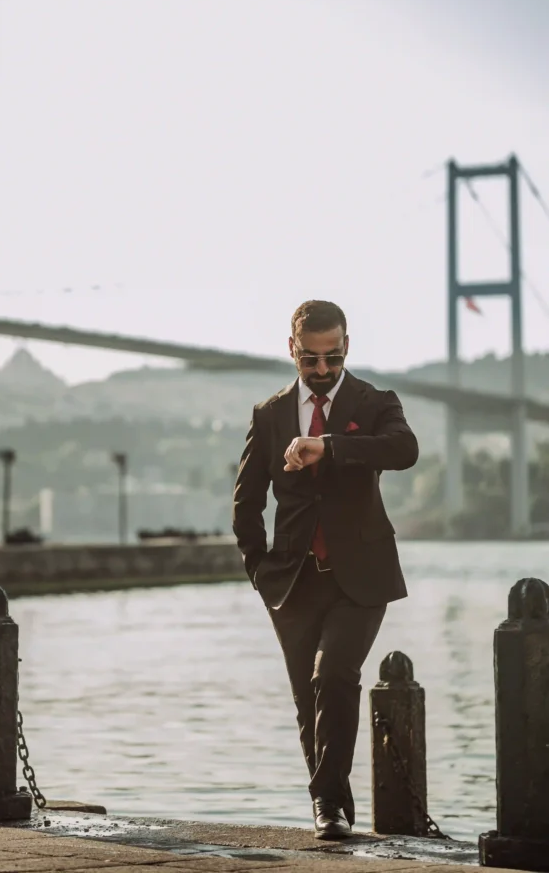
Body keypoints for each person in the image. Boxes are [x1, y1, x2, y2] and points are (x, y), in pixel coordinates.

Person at [232, 299, 418, 839]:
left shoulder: (375, 401)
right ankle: (331, 803)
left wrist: (328, 446)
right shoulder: (268, 415)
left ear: (346, 347)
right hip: (290, 581)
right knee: (306, 699)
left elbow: (403, 449)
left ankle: (329, 807)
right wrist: (259, 573)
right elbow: (246, 504)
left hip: (361, 575)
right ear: (292, 349)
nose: (321, 370)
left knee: (333, 675)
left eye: (331, 358)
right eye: (310, 359)